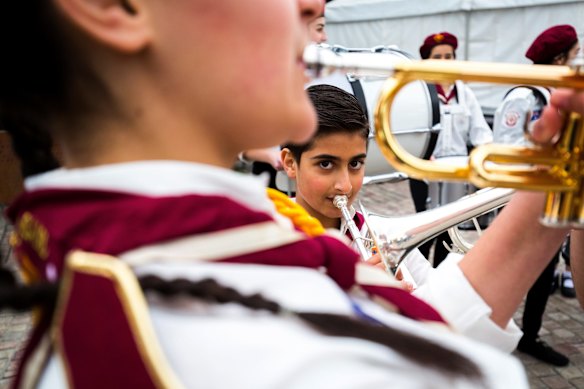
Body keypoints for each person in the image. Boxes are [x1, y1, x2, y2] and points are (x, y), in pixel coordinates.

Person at [0, 0, 578, 388]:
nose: (313, 7)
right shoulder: (268, 350)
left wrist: (555, 184)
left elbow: (426, 336)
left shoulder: (189, 258)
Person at [492, 24, 580, 367]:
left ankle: (530, 335)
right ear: (559, 59)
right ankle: (490, 330)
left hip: (551, 197)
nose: (577, 65)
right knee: (512, 270)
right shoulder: (525, 96)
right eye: (574, 58)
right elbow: (505, 149)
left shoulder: (557, 93)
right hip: (520, 200)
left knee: (545, 270)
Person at [411, 31, 494, 267]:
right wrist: (424, 157)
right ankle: (417, 273)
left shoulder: (465, 93)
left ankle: (436, 274)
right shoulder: (419, 94)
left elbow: (481, 133)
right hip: (423, 171)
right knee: (426, 228)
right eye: (438, 57)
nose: (445, 62)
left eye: (449, 56)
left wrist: (482, 157)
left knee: (450, 231)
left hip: (454, 174)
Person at [239, 1, 330, 190]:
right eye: (319, 29)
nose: (324, 38)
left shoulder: (320, 76)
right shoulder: (263, 79)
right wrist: (272, 157)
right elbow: (241, 143)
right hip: (278, 187)